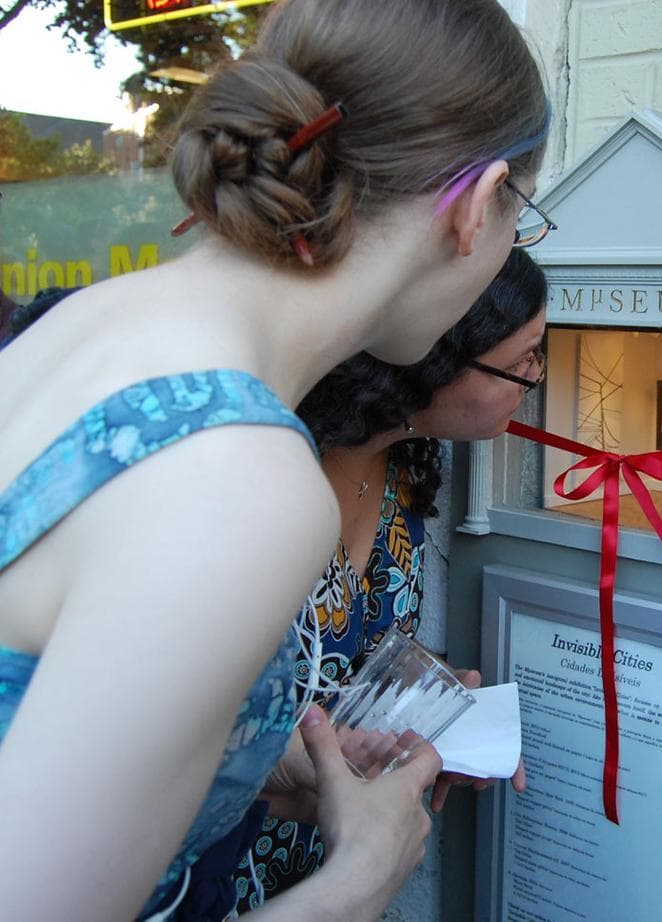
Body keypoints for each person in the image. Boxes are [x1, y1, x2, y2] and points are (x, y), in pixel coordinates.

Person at [0, 0, 550, 919]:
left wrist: (243, 765)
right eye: (521, 216)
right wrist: (360, 879)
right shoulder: (242, 476)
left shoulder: (85, 327)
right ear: (480, 205)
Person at [233, 247, 548, 911]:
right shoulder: (263, 472)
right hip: (215, 874)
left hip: (329, 869)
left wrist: (423, 694)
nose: (537, 379)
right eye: (523, 361)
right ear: (436, 360)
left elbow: (350, 648)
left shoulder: (407, 466)